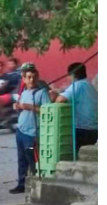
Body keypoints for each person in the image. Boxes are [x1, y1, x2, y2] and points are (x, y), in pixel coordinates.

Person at [10, 63, 50, 194]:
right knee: (21, 160)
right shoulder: (24, 92)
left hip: (33, 133)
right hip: (21, 130)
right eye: (28, 77)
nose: (31, 80)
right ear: (24, 79)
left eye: (33, 77)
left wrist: (30, 107)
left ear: (37, 77)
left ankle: (37, 185)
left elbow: (47, 110)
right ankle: (21, 184)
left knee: (33, 160)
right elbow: (21, 107)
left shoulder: (42, 93)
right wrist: (17, 106)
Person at [50, 63, 98, 151]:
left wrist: (54, 97)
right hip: (94, 129)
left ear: (72, 75)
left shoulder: (77, 85)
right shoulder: (89, 85)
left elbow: (60, 100)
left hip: (82, 129)